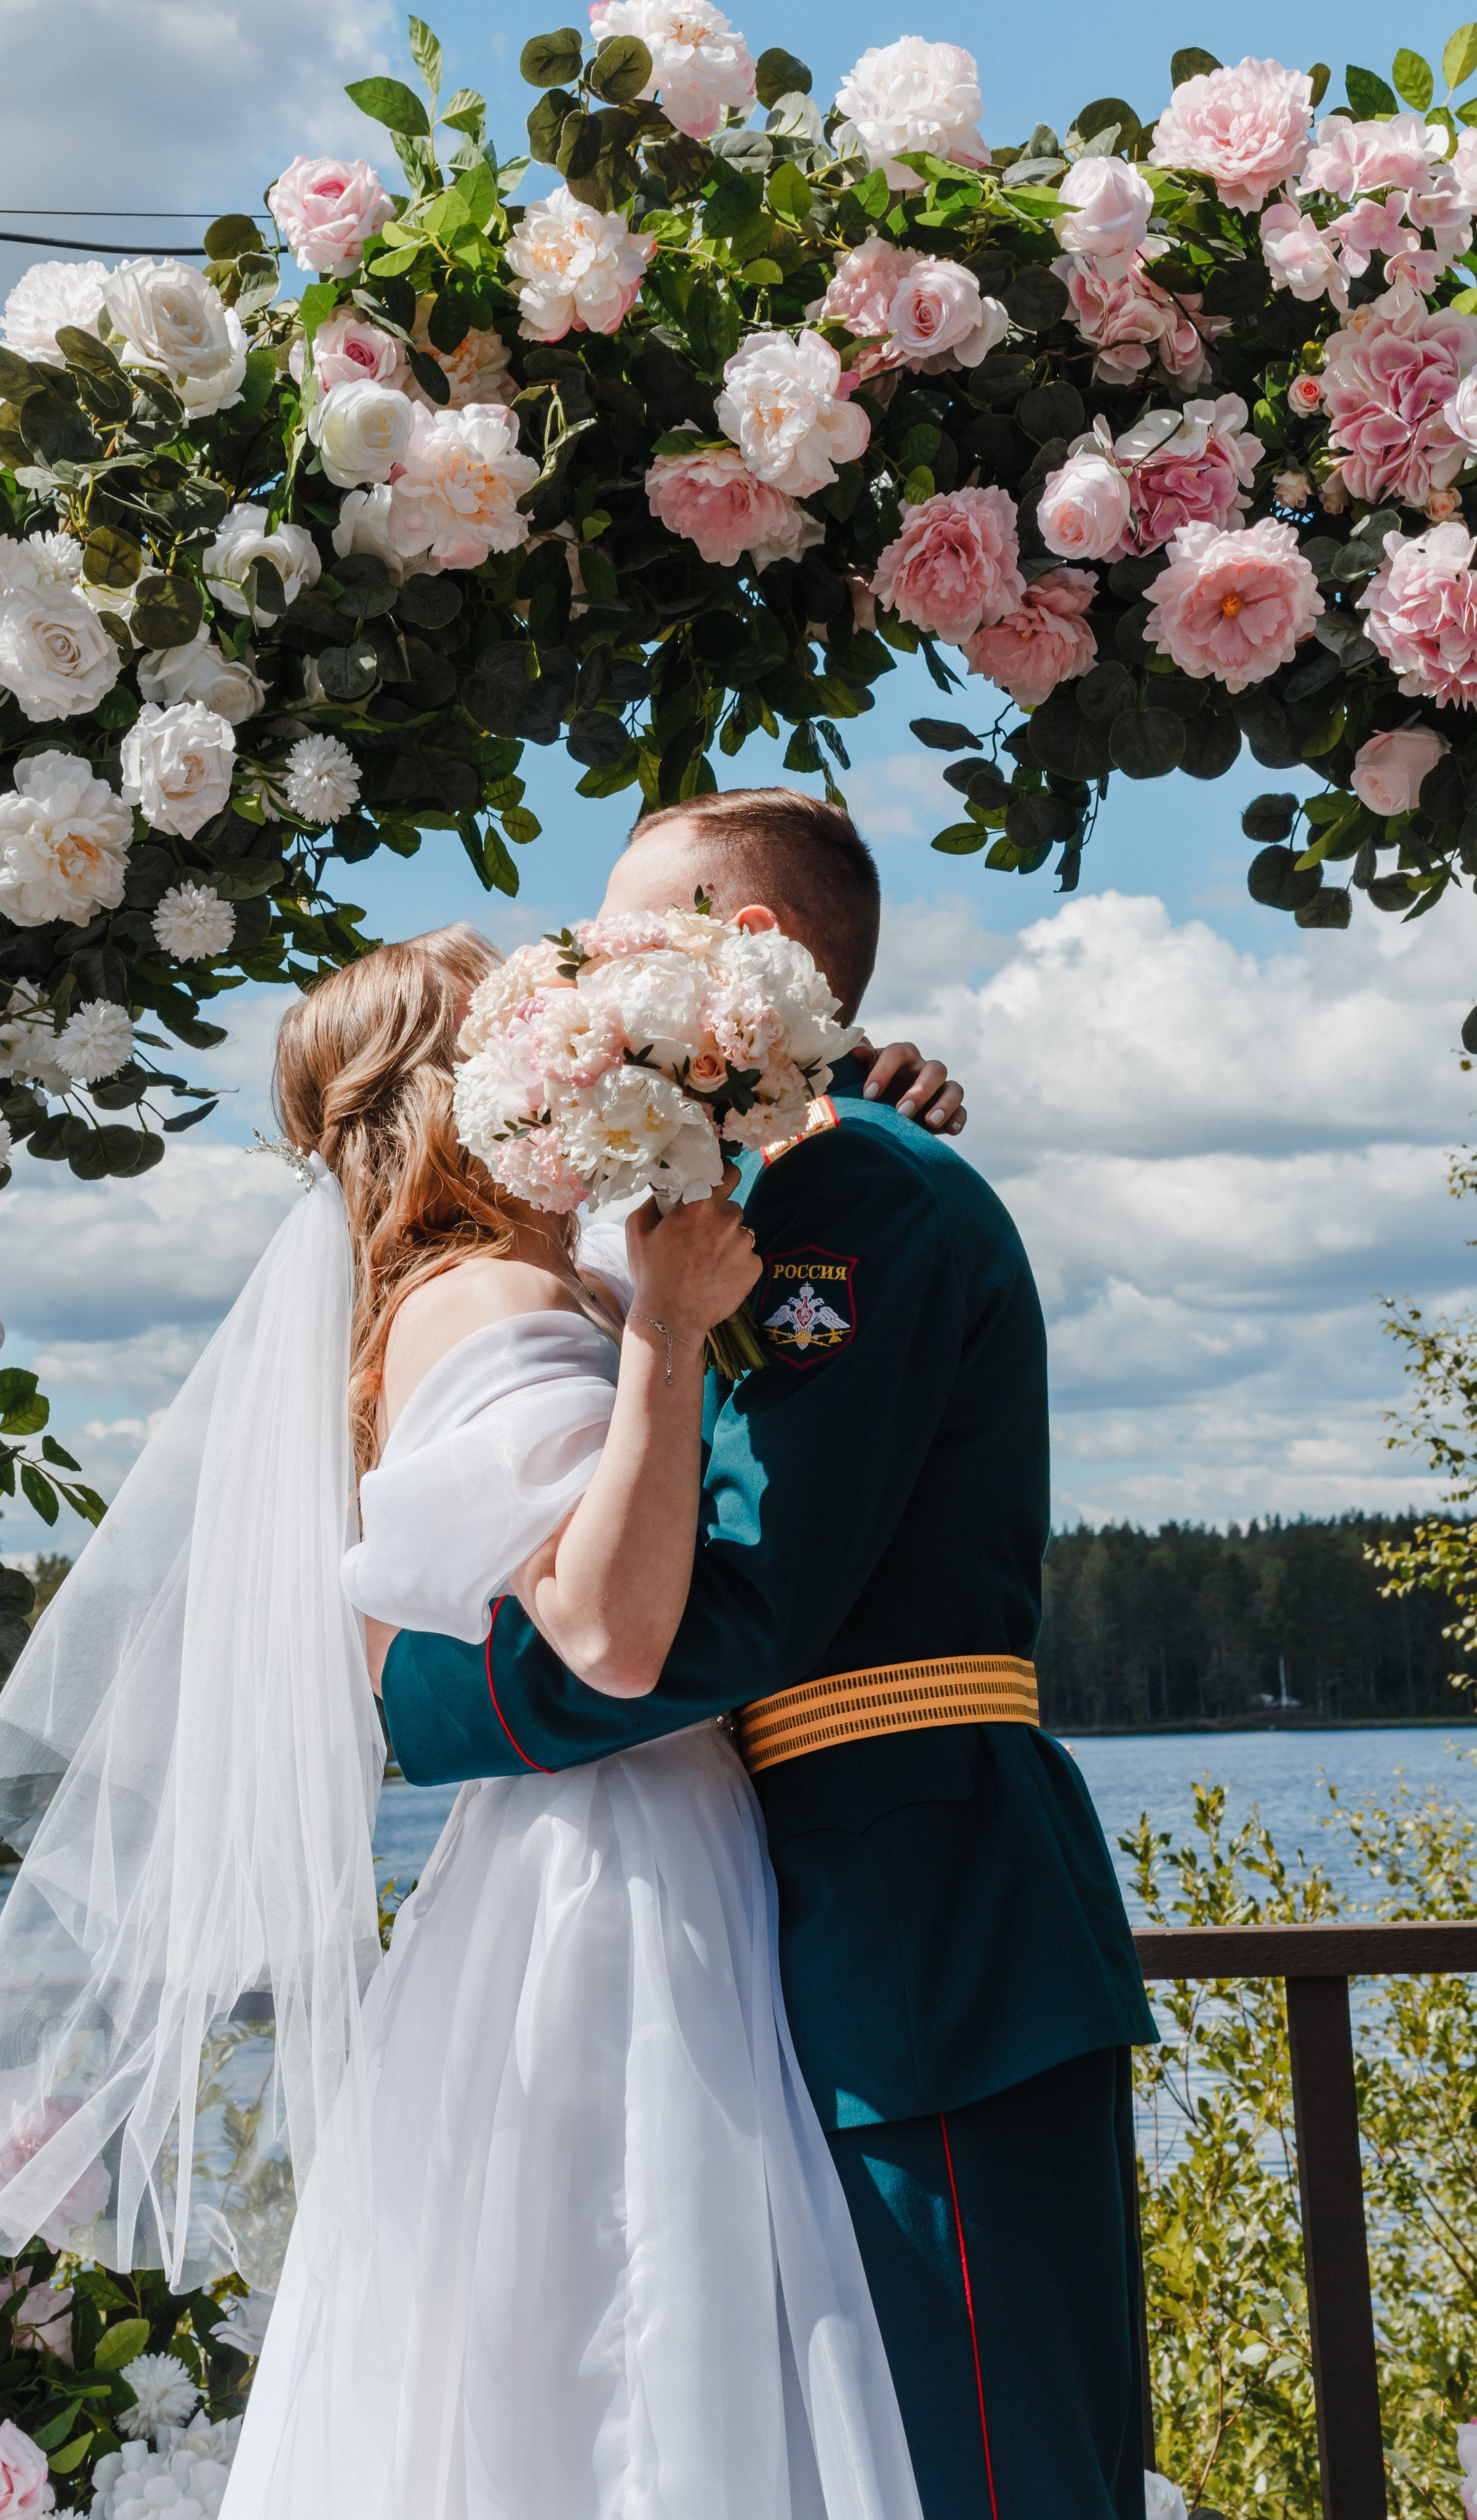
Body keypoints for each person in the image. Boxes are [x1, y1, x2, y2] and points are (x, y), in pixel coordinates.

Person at [0, 913, 958, 2517]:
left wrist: (810, 1111)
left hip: (586, 1852)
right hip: (613, 1873)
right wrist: (674, 1337)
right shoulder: (485, 1303)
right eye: (543, 1045)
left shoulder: (516, 1285)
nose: (594, 1063)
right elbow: (612, 1637)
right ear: (461, 1101)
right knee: (630, 2328)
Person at [377, 789, 1161, 2520]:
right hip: (863, 1901)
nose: (583, 968)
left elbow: (732, 1604)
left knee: (989, 2466)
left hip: (914, 1921)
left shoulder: (850, 1197)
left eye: (618, 931)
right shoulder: (798, 1179)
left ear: (742, 955)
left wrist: (412, 1700)